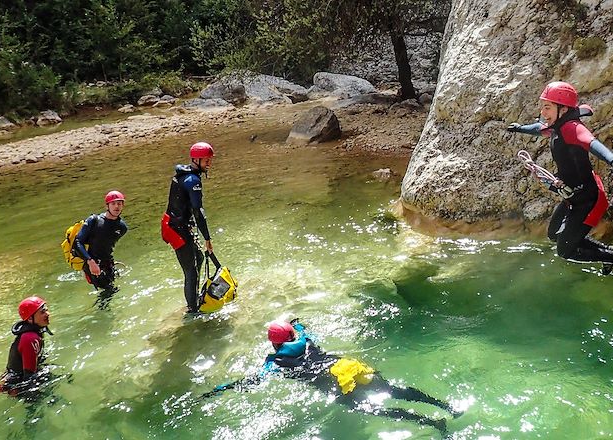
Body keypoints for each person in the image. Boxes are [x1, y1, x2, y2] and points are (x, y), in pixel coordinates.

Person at [205, 320, 461, 432]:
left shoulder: (275, 361)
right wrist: (296, 323)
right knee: (394, 390)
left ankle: (434, 424)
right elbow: (302, 328)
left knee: (376, 409)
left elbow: (254, 381)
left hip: (335, 383)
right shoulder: (304, 340)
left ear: (273, 343)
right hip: (347, 366)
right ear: (292, 335)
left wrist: (222, 388)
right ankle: (446, 406)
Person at [508, 81, 613, 278]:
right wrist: (520, 128)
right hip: (573, 197)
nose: (543, 112)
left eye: (547, 107)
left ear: (563, 108)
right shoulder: (556, 126)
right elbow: (538, 128)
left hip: (587, 200)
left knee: (565, 251)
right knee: (554, 235)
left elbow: (592, 143)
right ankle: (611, 254)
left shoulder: (572, 128)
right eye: (542, 106)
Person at [161, 142, 215, 314]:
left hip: (176, 224)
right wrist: (207, 238)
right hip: (177, 229)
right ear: (196, 160)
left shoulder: (183, 175)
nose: (209, 164)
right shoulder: (193, 181)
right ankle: (193, 310)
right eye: (206, 161)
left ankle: (193, 297)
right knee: (190, 269)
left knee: (198, 259)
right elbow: (198, 212)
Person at [0, 296, 52, 397]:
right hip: (18, 384)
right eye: (42, 312)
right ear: (30, 319)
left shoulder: (35, 331)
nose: (47, 314)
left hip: (16, 377)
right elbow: (29, 376)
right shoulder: (30, 338)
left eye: (46, 310)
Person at [74, 190, 128, 293]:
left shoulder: (122, 227)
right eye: (113, 204)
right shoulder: (94, 221)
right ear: (107, 206)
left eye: (119, 204)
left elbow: (107, 245)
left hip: (108, 263)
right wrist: (90, 261)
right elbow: (77, 243)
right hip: (92, 263)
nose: (117, 206)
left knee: (112, 291)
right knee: (108, 292)